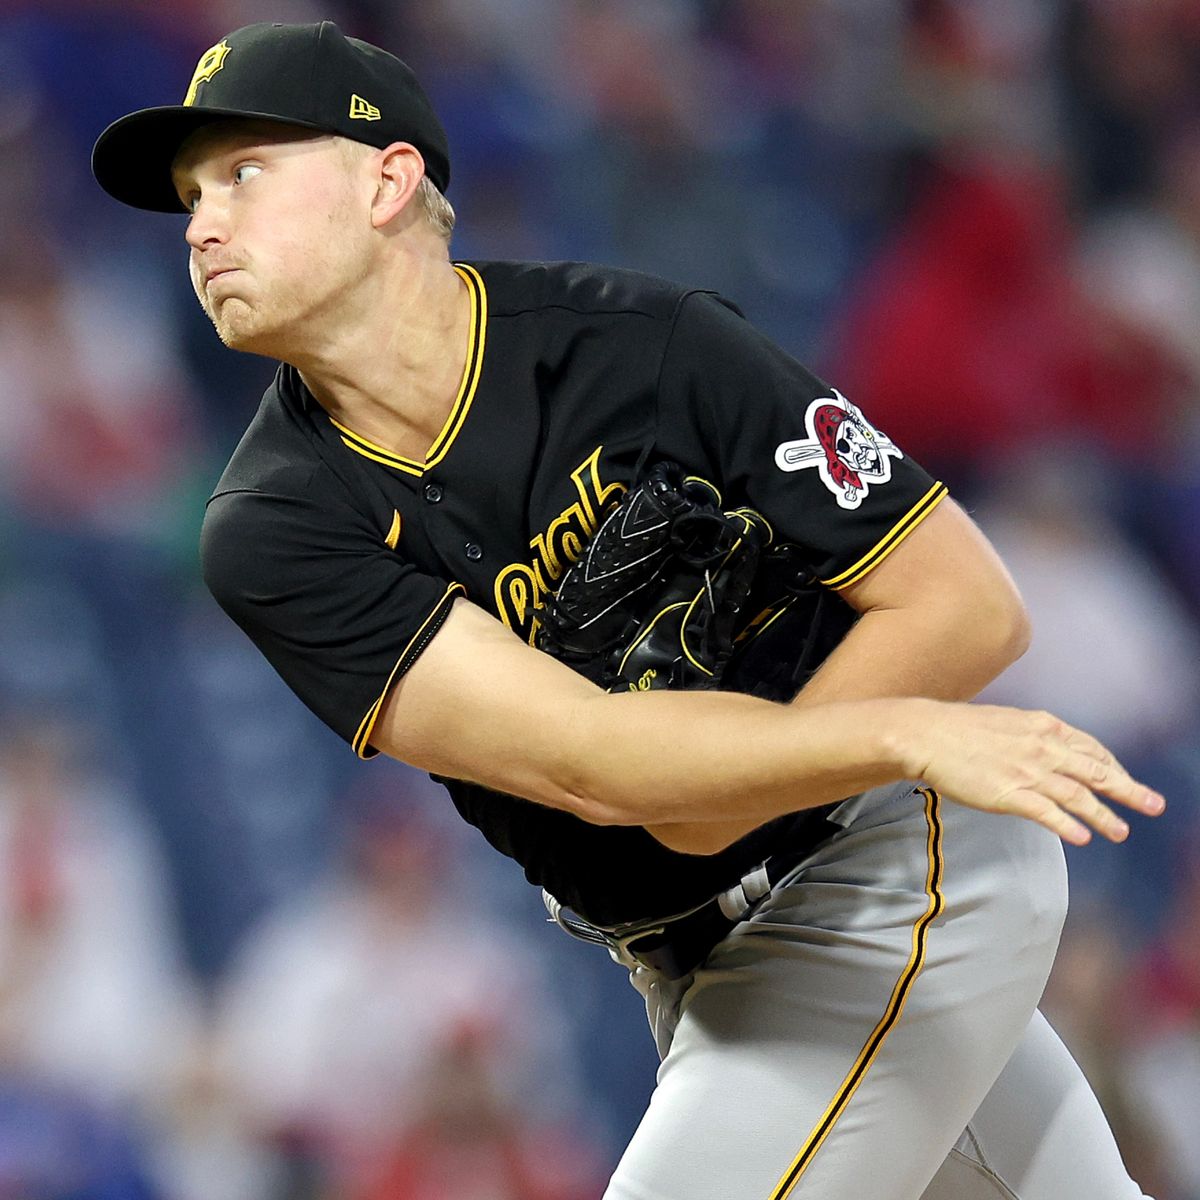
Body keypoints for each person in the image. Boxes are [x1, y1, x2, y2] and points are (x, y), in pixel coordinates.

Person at [91, 21, 1164, 1200]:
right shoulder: (274, 527)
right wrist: (830, 747)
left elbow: (969, 604)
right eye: (191, 196)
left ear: (388, 179)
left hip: (895, 856)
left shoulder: (644, 345)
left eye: (244, 172)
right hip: (707, 964)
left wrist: (803, 767)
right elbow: (606, 770)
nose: (201, 227)